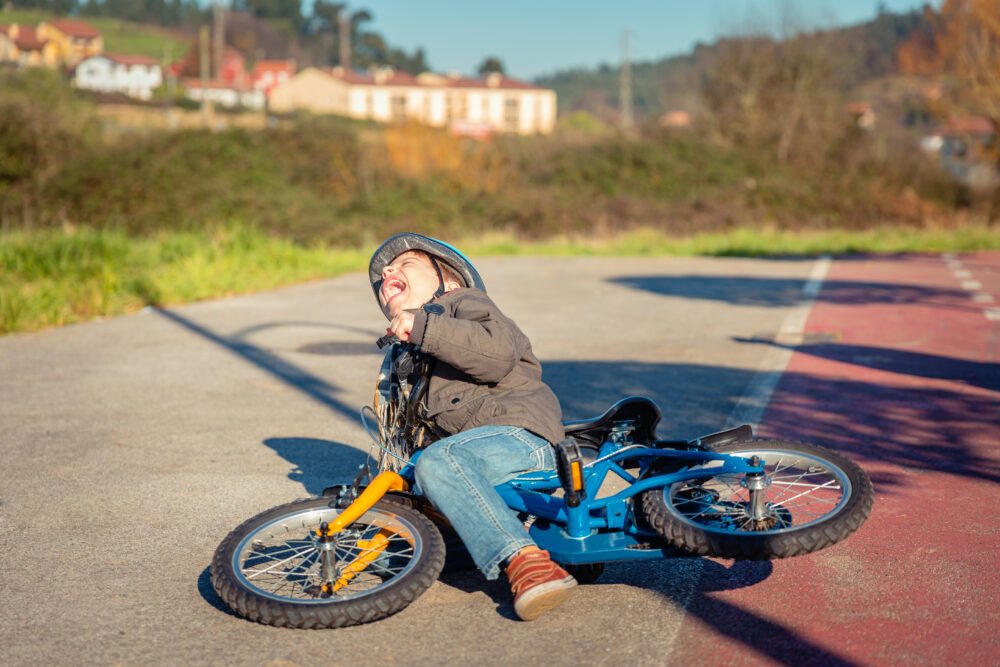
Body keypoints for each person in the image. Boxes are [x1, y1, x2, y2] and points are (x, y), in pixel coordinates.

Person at [368, 232, 577, 621]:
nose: (388, 272)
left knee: (437, 462)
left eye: (406, 264)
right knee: (395, 554)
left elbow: (495, 355)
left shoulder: (464, 303)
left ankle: (527, 562)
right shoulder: (411, 356)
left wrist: (423, 328)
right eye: (382, 277)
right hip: (469, 459)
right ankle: (512, 538)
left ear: (448, 282)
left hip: (519, 434)